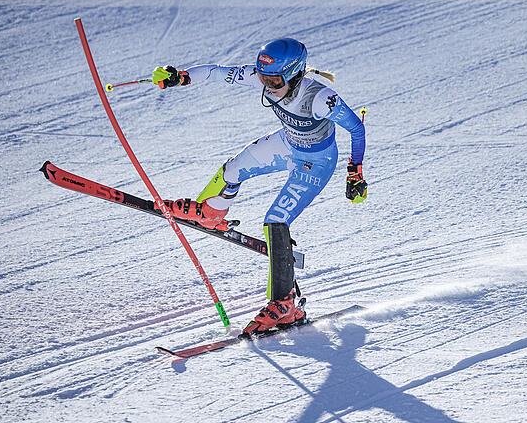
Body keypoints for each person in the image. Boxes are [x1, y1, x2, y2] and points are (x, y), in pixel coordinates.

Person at [151, 38, 367, 337]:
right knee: (232, 169)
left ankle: (285, 304)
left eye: (274, 79)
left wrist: (354, 171)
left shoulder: (320, 98)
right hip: (287, 143)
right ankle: (211, 212)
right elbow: (216, 72)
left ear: (294, 74)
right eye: (263, 77)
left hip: (315, 162)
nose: (267, 85)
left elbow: (356, 127)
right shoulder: (263, 78)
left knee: (275, 219)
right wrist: (181, 77)